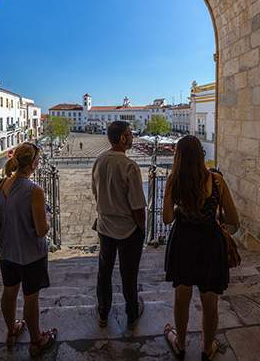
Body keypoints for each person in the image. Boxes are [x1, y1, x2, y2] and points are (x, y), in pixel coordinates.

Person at [162, 136, 239, 360]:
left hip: (183, 243)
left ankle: (181, 343)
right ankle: (207, 348)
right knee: (210, 301)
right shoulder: (216, 181)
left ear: (178, 157)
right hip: (210, 244)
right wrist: (215, 224)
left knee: (181, 298)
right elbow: (235, 222)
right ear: (201, 154)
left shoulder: (173, 181)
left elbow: (167, 219)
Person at [0, 142, 58, 357]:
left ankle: (11, 331)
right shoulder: (35, 191)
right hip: (31, 254)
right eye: (38, 160)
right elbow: (41, 230)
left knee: (9, 291)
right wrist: (48, 218)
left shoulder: (2, 185)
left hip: (7, 251)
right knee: (31, 297)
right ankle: (36, 340)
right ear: (33, 164)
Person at [92, 121, 146, 328]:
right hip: (128, 229)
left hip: (105, 227)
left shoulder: (99, 161)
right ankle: (131, 313)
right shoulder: (129, 166)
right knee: (129, 273)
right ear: (123, 138)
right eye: (130, 134)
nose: (132, 137)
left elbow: (95, 192)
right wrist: (141, 227)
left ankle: (103, 312)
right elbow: (137, 205)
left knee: (104, 271)